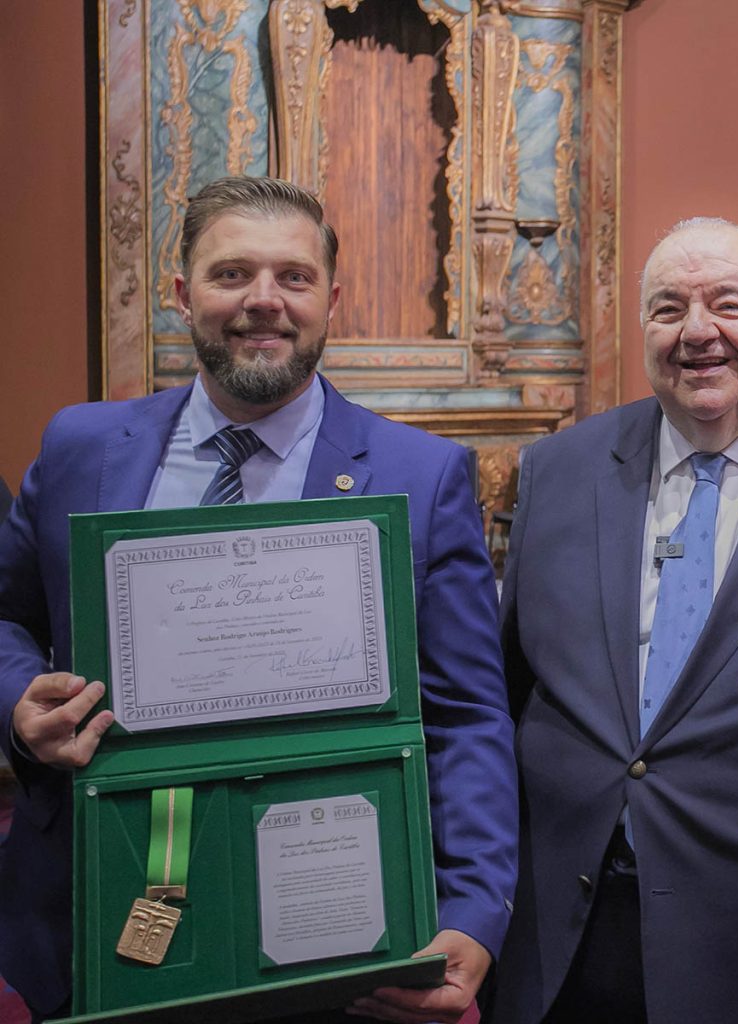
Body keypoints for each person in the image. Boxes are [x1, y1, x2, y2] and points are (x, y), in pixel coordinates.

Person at [0, 176, 517, 1023]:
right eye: (232, 274)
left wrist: (474, 909)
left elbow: (465, 717)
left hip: (331, 921)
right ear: (182, 296)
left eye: (294, 278)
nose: (263, 302)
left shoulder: (422, 480)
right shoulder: (80, 448)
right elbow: (7, 617)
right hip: (95, 909)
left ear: (331, 300)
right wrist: (19, 703)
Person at [489, 217, 738, 1024]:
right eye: (669, 308)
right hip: (578, 943)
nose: (697, 332)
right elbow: (508, 693)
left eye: (728, 305)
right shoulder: (558, 473)